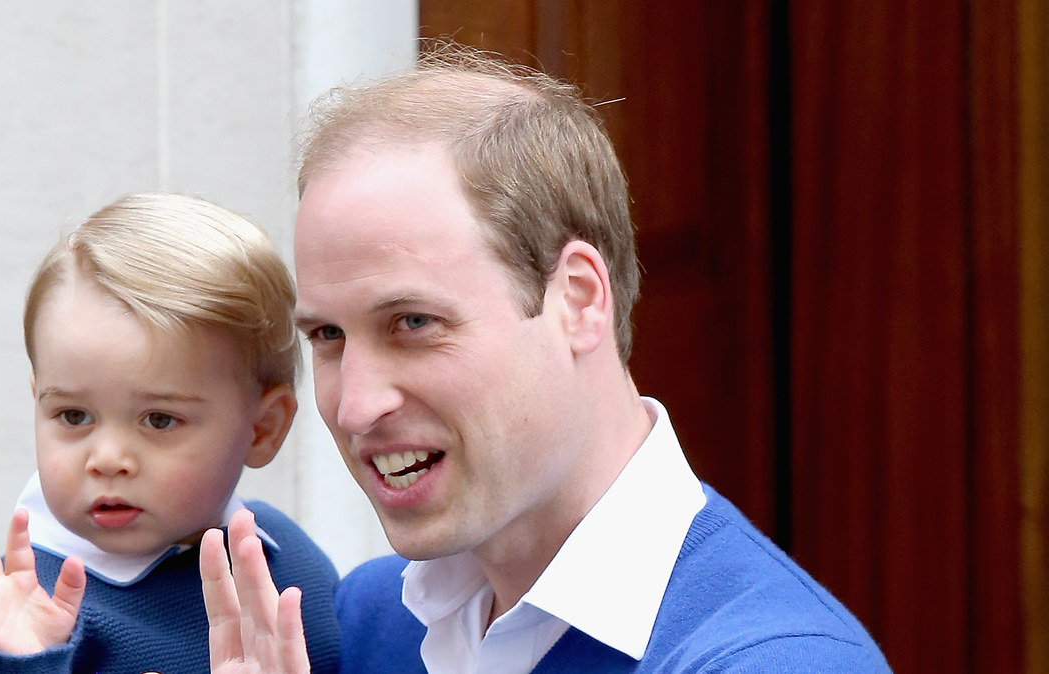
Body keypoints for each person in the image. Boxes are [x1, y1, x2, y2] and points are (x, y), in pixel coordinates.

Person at [200, 43, 892, 672]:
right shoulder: (362, 622)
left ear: (580, 299)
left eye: (413, 322)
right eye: (328, 338)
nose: (355, 405)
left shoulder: (779, 660)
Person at [0, 193, 342, 673]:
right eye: (73, 416)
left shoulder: (288, 564)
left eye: (159, 420)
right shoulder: (10, 618)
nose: (106, 458)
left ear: (262, 429)